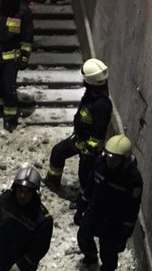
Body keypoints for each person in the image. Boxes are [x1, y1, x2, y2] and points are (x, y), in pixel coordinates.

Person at [76, 134, 142, 271]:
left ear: (124, 160)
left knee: (108, 253)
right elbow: (90, 187)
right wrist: (81, 207)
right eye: (109, 156)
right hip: (95, 211)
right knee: (83, 235)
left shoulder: (132, 179)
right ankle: (91, 257)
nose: (110, 161)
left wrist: (124, 235)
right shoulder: (100, 164)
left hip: (114, 221)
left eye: (115, 159)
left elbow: (132, 209)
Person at [44, 59, 112, 192]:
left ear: (90, 81)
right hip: (79, 139)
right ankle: (53, 182)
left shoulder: (102, 105)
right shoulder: (92, 94)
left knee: (85, 176)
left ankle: (83, 197)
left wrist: (88, 151)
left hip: (89, 148)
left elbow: (98, 134)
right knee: (58, 152)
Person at [0, 0, 34, 132]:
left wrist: (24, 57)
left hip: (11, 57)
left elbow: (27, 37)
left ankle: (10, 116)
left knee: (9, 87)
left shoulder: (23, 11)